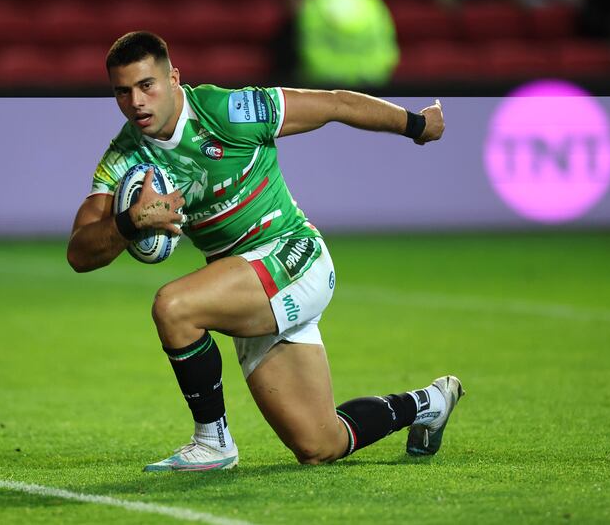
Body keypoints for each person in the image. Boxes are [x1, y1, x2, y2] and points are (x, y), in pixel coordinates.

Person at [67, 31, 463, 471]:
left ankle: (213, 442)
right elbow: (80, 253)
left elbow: (335, 104)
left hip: (291, 254)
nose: (136, 102)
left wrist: (417, 125)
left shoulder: (229, 111)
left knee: (174, 307)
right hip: (244, 284)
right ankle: (429, 402)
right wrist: (130, 222)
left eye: (147, 85)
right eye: (122, 92)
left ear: (174, 78)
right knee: (319, 445)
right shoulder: (123, 158)